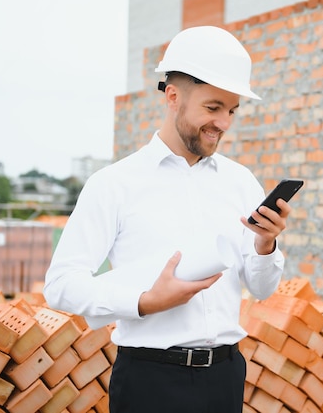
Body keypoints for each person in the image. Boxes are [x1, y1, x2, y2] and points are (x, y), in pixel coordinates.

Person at [43, 26, 292, 413]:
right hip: (149, 383)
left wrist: (265, 246)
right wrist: (144, 302)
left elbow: (261, 289)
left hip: (225, 379)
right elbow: (61, 286)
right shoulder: (114, 184)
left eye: (231, 111)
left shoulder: (240, 181)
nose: (224, 123)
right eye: (213, 108)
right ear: (173, 97)